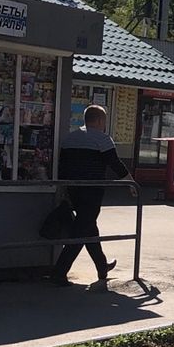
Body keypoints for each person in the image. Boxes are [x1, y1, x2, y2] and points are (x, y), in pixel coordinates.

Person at [51, 104, 132, 289]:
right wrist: (131, 183)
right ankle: (59, 272)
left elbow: (62, 166)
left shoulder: (70, 138)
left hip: (74, 189)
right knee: (81, 230)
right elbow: (116, 164)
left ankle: (102, 266)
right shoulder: (102, 139)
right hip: (93, 190)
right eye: (104, 121)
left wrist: (63, 188)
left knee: (87, 226)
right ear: (99, 121)